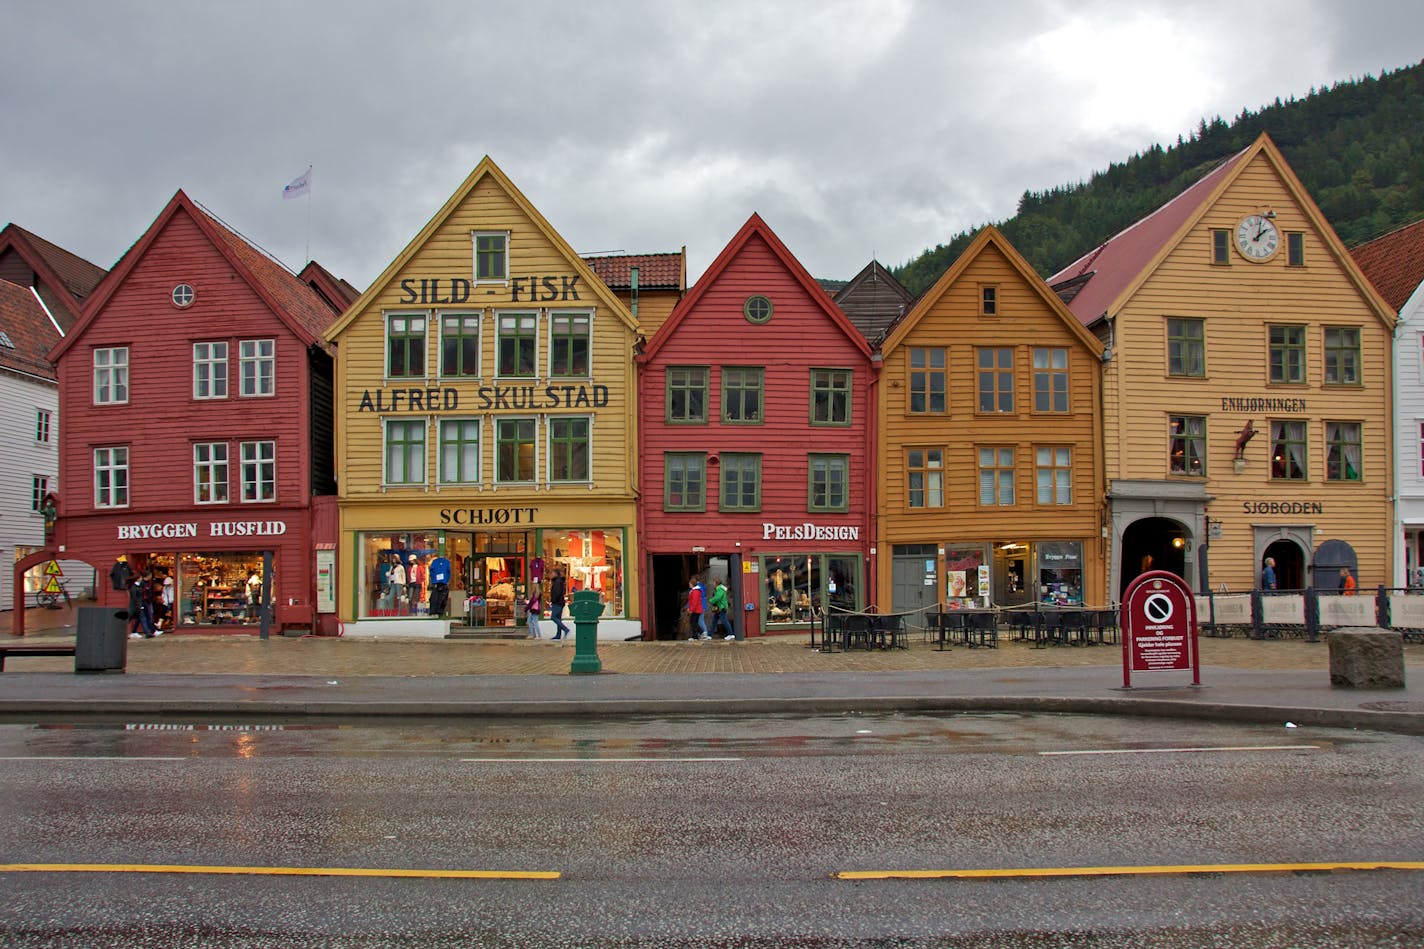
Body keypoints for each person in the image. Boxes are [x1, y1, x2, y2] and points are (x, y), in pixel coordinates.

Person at [549, 569, 570, 640]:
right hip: (560, 602)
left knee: (553, 617)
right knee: (558, 618)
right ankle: (558, 635)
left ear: (556, 574)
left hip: (557, 602)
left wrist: (553, 600)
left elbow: (557, 593)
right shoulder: (559, 581)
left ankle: (565, 629)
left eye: (552, 573)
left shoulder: (557, 582)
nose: (551, 574)